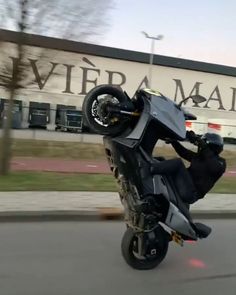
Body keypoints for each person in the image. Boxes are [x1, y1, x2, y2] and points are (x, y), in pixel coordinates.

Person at [167, 131, 226, 204]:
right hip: (185, 185)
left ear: (211, 147)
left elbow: (214, 167)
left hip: (191, 193)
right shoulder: (201, 157)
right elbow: (184, 153)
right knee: (161, 159)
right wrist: (174, 142)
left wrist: (204, 147)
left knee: (178, 163)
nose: (199, 147)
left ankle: (150, 169)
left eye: (202, 145)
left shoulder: (220, 162)